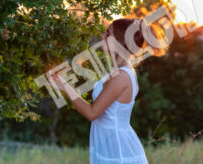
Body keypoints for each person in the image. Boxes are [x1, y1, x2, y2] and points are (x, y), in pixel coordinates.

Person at [50, 18, 167, 164]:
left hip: (118, 152)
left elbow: (92, 113)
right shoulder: (116, 71)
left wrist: (65, 86)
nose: (102, 37)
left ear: (120, 41)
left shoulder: (122, 76)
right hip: (109, 148)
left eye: (108, 34)